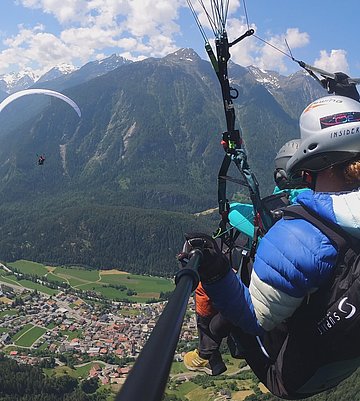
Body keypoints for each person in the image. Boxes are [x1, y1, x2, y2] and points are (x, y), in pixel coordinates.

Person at [180, 95, 360, 398]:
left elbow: (253, 318)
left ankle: (208, 348)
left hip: (295, 377)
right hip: (348, 354)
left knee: (236, 293)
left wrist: (213, 270)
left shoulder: (300, 236)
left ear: (316, 164)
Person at [182, 138, 309, 377]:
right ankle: (208, 351)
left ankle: (206, 351)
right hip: (293, 292)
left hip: (266, 285)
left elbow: (261, 225)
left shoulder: (284, 205)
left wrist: (230, 214)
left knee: (212, 272)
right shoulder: (320, 201)